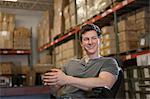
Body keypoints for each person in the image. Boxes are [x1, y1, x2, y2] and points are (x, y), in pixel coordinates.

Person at [43, 24, 120, 99]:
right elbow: (54, 88)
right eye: (86, 39)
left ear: (100, 40)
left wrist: (67, 79)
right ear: (81, 44)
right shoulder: (70, 63)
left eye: (94, 38)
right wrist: (51, 81)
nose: (90, 42)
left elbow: (104, 83)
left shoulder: (109, 62)